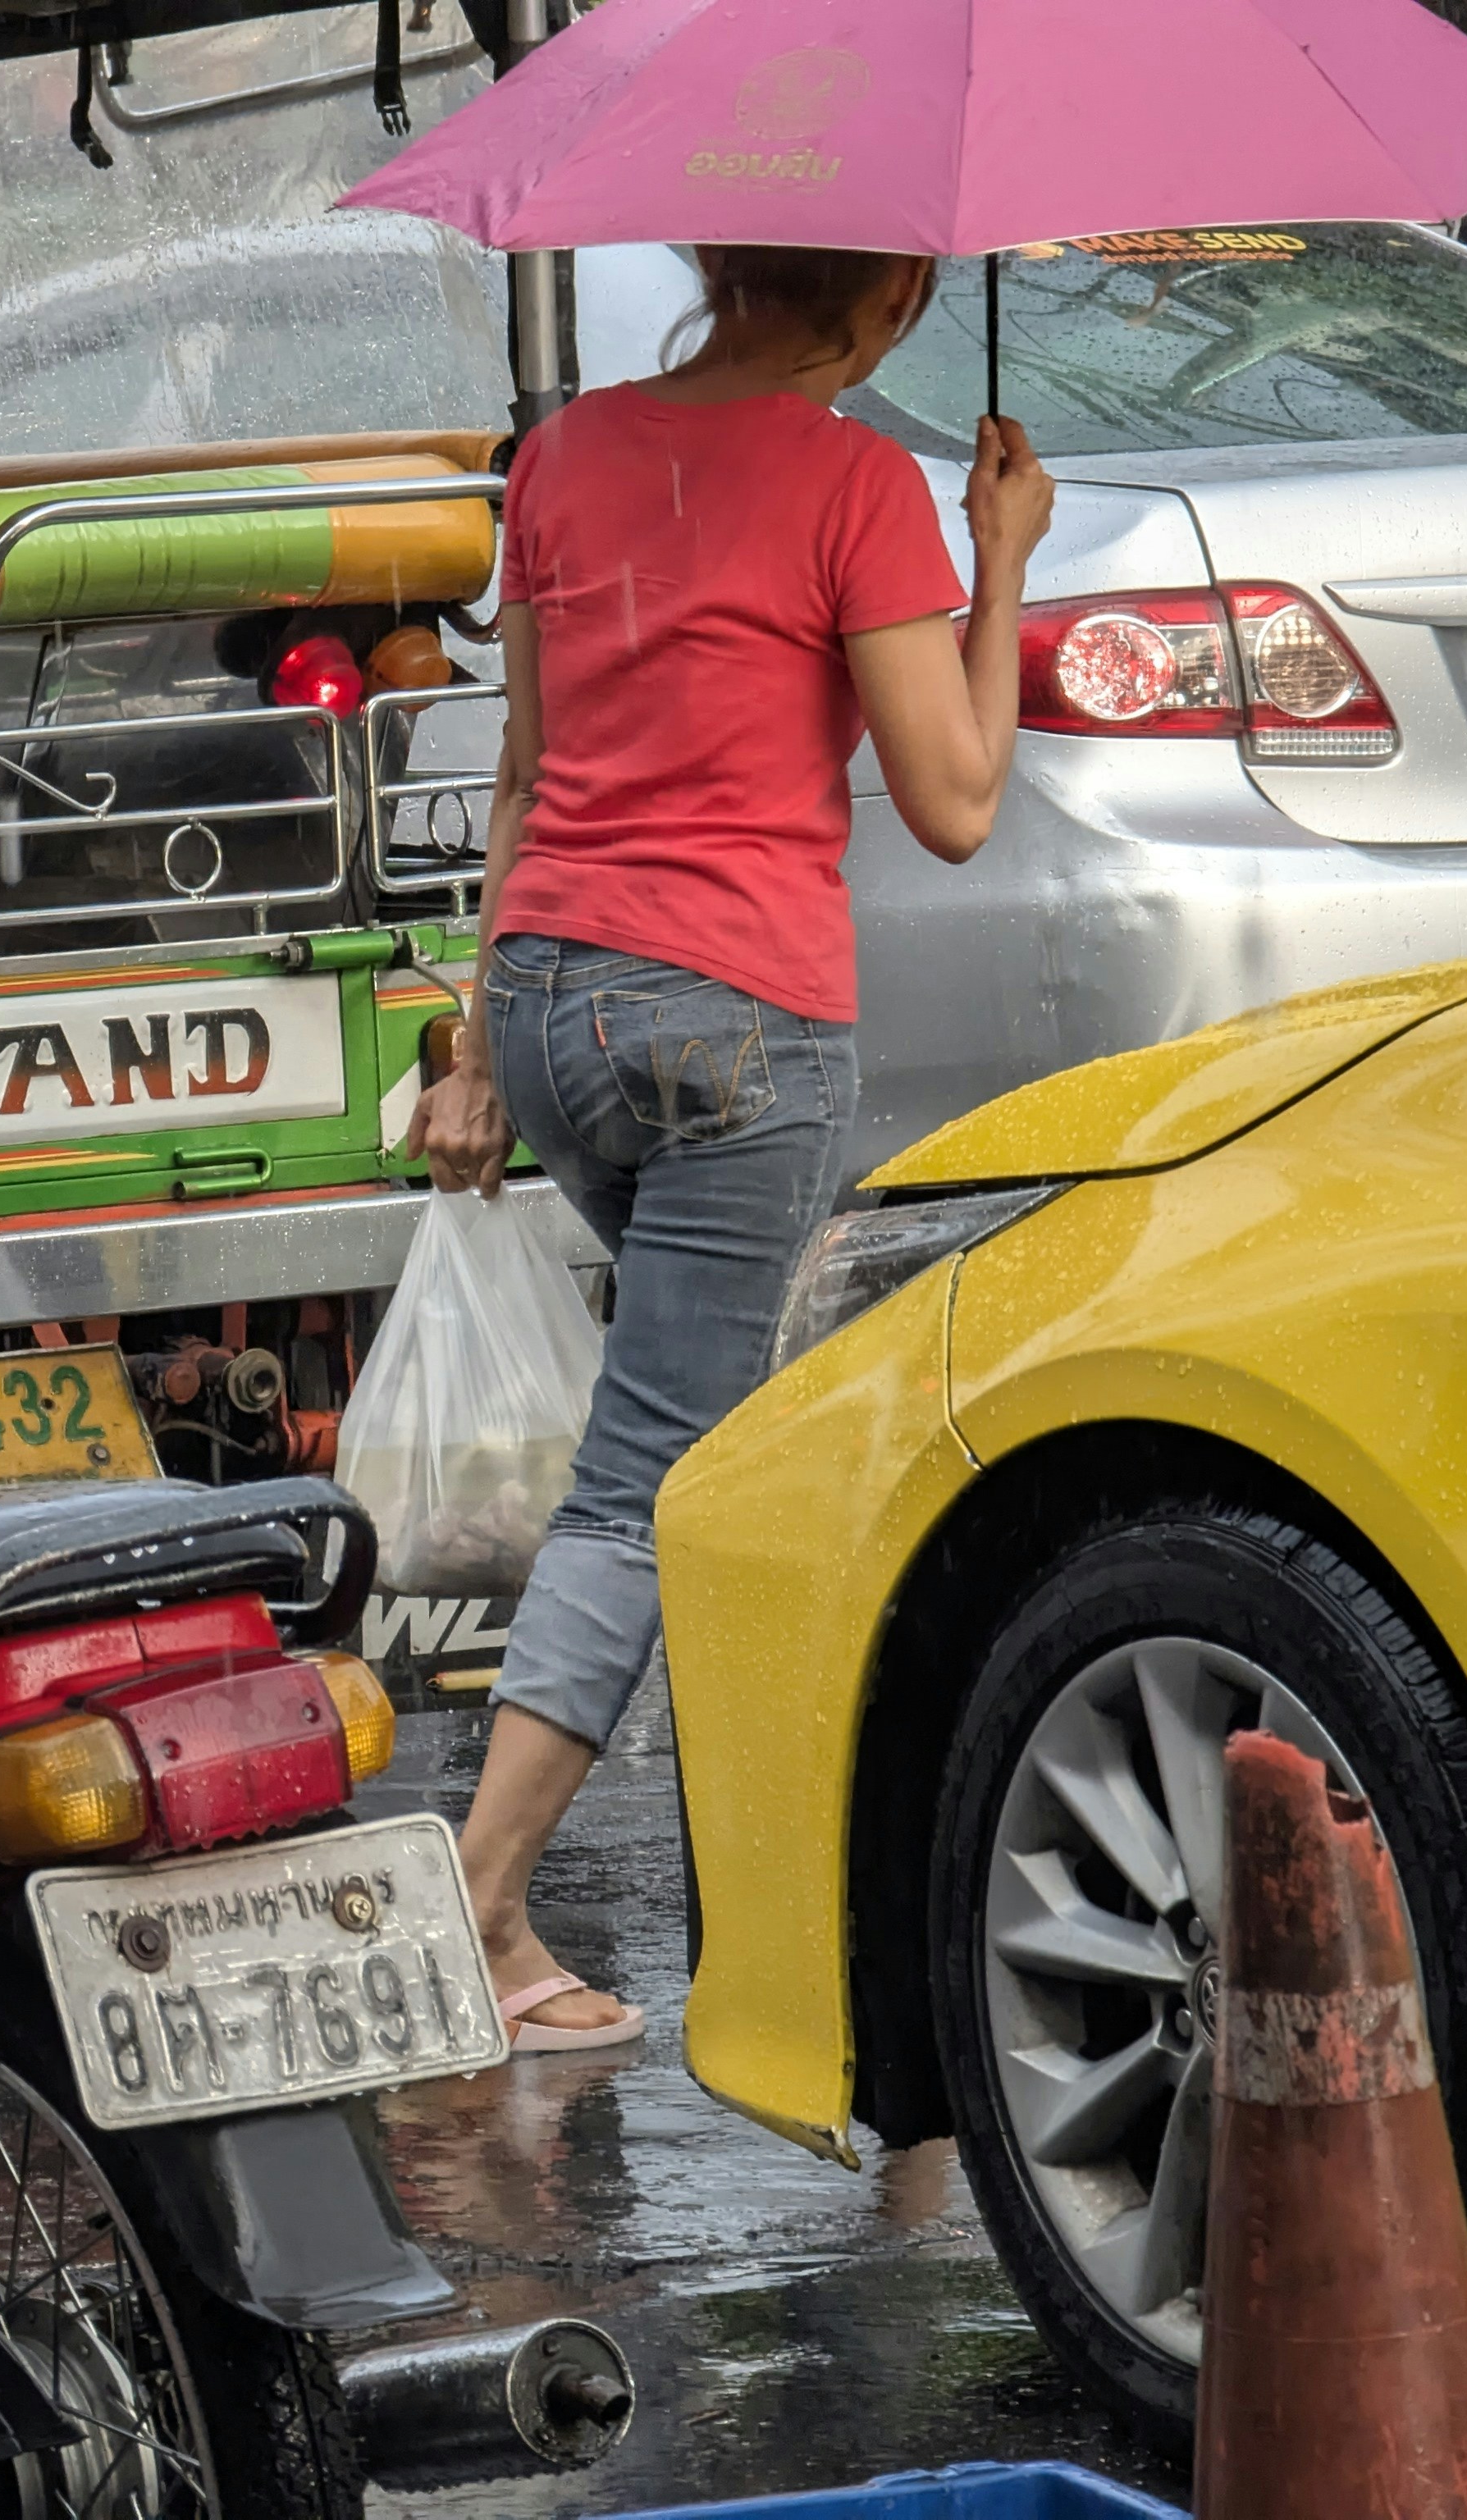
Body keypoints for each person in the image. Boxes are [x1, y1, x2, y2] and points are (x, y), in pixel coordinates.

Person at [407, 245, 1056, 2052]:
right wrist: (999, 563)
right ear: (896, 301)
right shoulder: (855, 487)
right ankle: (481, 1904)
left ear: (712, 263)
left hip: (549, 1004)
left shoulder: (563, 455)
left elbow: (527, 771)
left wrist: (472, 1045)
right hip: (733, 1028)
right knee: (655, 1478)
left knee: (724, 1443)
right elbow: (955, 799)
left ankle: (819, 1920)